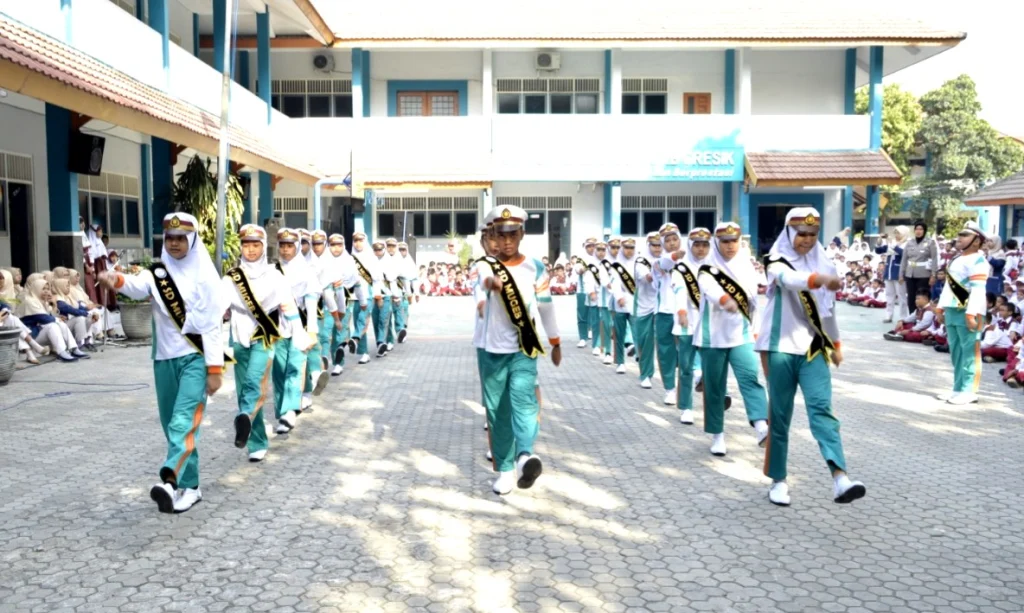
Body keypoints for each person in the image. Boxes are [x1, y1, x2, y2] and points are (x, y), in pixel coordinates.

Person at [99, 213, 226, 513]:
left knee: (183, 422)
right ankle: (191, 487)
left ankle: (169, 480)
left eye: (181, 238)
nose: (175, 243)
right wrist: (113, 280)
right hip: (164, 360)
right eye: (170, 238)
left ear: (192, 240)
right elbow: (134, 284)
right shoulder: (157, 274)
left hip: (195, 359)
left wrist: (215, 369)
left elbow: (211, 326)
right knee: (173, 426)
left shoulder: (206, 278)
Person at [757, 207, 866, 506]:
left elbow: (827, 311)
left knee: (822, 409)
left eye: (812, 234)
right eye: (800, 234)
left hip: (813, 349)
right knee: (779, 416)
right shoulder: (776, 259)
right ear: (789, 232)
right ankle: (778, 481)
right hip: (779, 347)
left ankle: (840, 478)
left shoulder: (825, 262)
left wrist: (837, 345)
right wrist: (818, 280)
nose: (806, 240)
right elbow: (789, 280)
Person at [477, 204, 561, 495]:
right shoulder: (485, 265)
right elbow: (483, 282)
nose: (507, 241)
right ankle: (504, 470)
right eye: (501, 235)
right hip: (491, 349)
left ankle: (525, 455)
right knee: (497, 410)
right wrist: (491, 285)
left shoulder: (536, 267)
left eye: (512, 234)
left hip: (524, 347)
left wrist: (555, 340)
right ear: (493, 238)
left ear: (522, 234)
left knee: (524, 401)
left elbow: (546, 306)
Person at [222, 225, 304, 462]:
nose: (250, 250)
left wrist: (298, 332)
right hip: (238, 337)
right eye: (246, 245)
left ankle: (245, 414)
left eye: (255, 245)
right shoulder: (232, 277)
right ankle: (255, 439)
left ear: (263, 246)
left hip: (265, 335)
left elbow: (288, 305)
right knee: (243, 388)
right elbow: (218, 306)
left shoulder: (274, 275)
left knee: (254, 382)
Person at [694, 222, 769, 457]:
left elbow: (755, 301)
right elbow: (710, 290)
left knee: (749, 377)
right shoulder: (707, 267)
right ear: (717, 243)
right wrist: (725, 300)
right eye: (725, 242)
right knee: (715, 388)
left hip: (741, 333)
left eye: (734, 241)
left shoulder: (747, 266)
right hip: (712, 336)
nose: (730, 246)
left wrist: (757, 328)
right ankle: (717, 435)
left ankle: (761, 426)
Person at [935, 221, 990, 405]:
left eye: (965, 235)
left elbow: (978, 290)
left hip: (968, 310)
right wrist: (941, 307)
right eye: (960, 234)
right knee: (956, 351)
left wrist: (971, 313)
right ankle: (957, 388)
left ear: (976, 241)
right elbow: (948, 287)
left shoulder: (979, 261)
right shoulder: (957, 259)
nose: (959, 238)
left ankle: (969, 391)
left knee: (969, 352)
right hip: (952, 309)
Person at [273, 229, 320, 432]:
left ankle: (290, 410)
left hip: (299, 326)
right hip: (276, 327)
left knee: (294, 367)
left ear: (297, 246)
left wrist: (311, 330)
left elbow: (311, 301)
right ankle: (282, 410)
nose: (285, 250)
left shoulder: (306, 271)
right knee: (278, 371)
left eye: (289, 245)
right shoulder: (271, 270)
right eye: (282, 245)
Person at [671, 228, 711, 424]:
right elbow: (679, 290)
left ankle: (713, 407)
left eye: (705, 245)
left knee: (710, 367)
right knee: (686, 366)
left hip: (709, 325)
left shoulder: (714, 266)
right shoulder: (681, 268)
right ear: (690, 245)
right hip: (687, 323)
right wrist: (681, 312)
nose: (701, 249)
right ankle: (686, 407)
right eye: (697, 245)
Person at [653, 223, 683, 405]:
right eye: (668, 240)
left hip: (686, 311)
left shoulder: (691, 258)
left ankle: (695, 376)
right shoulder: (657, 262)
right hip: (664, 311)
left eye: (675, 239)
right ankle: (670, 389)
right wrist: (674, 256)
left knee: (687, 349)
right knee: (666, 352)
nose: (672, 243)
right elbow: (666, 263)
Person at [633, 232, 661, 389]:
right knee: (645, 342)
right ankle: (645, 374)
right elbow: (647, 277)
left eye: (659, 245)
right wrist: (661, 268)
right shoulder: (641, 260)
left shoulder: (668, 258)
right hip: (645, 306)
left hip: (663, 305)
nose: (657, 248)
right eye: (654, 245)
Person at [350, 232, 381, 363]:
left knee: (362, 320)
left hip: (368, 294)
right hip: (354, 296)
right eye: (356, 241)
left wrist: (378, 294)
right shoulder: (349, 258)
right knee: (358, 321)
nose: (358, 243)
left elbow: (377, 278)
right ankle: (364, 352)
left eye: (361, 240)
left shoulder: (371, 257)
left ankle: (355, 337)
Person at [610, 238, 637, 375]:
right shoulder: (616, 265)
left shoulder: (638, 263)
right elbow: (614, 283)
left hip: (635, 303)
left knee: (637, 331)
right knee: (619, 335)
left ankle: (638, 355)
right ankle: (620, 362)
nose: (629, 250)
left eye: (631, 248)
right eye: (626, 247)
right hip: (620, 303)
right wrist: (619, 296)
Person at [899, 221, 938, 310]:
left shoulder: (930, 242)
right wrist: (901, 274)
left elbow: (934, 259)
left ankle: (922, 317)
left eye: (921, 229)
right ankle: (912, 319)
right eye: (916, 229)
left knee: (922, 297)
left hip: (924, 274)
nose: (918, 231)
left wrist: (933, 275)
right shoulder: (909, 243)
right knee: (911, 297)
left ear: (924, 231)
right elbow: (904, 259)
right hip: (910, 274)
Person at [876, 227, 908, 322]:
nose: (896, 235)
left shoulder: (907, 244)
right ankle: (888, 315)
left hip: (899, 274)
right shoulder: (892, 243)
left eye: (899, 233)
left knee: (901, 296)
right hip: (889, 273)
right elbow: (878, 251)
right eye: (895, 233)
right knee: (889, 296)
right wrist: (879, 241)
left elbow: (904, 254)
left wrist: (894, 245)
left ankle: (903, 317)